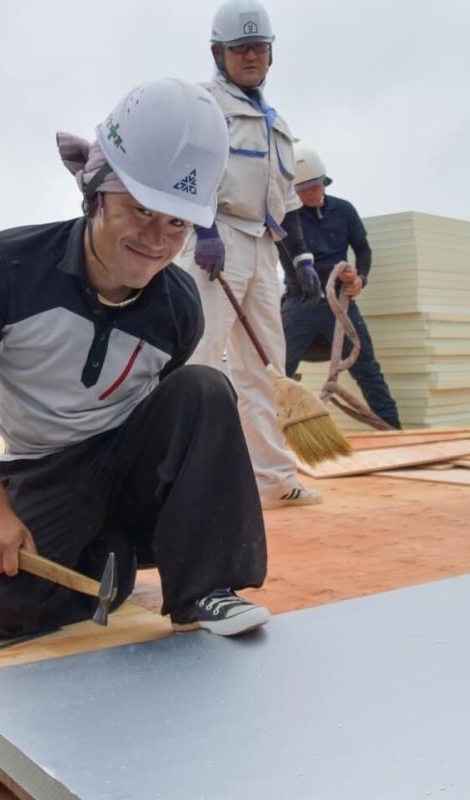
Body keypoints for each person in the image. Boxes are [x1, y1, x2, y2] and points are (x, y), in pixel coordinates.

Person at [0, 79, 270, 640]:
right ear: (94, 195)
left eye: (178, 223)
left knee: (205, 388)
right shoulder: (2, 269)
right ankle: (107, 551)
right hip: (44, 467)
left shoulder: (179, 308)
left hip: (127, 458)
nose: (157, 240)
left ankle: (206, 588)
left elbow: (173, 416)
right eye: (140, 210)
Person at [175, 0, 323, 509]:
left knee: (264, 366)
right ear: (219, 53)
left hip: (262, 245)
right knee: (198, 358)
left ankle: (274, 479)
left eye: (260, 47)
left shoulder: (275, 122)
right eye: (240, 48)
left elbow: (284, 200)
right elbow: (186, 174)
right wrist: (204, 228)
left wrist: (299, 257)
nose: (252, 56)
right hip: (214, 240)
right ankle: (185, 479)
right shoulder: (203, 106)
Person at [278, 145, 402, 429]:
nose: (312, 192)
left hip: (342, 305)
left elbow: (363, 250)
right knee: (278, 371)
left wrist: (360, 279)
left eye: (316, 185)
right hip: (301, 303)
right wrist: (338, 272)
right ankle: (267, 442)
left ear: (325, 180)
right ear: (293, 190)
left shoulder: (344, 210)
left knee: (368, 370)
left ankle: (394, 433)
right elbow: (291, 265)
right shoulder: (287, 218)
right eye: (304, 188)